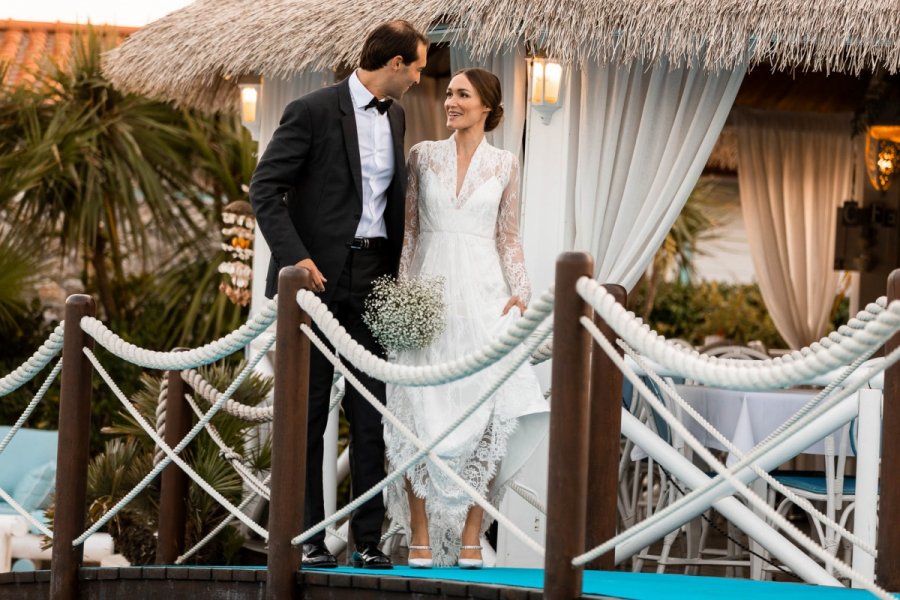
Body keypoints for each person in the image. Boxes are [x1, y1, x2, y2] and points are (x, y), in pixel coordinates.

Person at [249, 20, 428, 570]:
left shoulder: (395, 116)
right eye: (418, 65)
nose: (421, 76)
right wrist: (295, 259)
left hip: (375, 280)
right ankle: (307, 538)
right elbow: (265, 189)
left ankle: (367, 540)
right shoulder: (311, 110)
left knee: (371, 412)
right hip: (315, 283)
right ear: (395, 63)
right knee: (307, 412)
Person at [384, 68, 550, 568]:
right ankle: (419, 533)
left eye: (462, 95)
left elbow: (509, 237)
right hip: (428, 295)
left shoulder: (505, 164)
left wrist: (521, 294)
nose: (451, 102)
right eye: (450, 94)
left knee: (486, 410)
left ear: (487, 106)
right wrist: (402, 294)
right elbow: (409, 232)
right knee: (417, 410)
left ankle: (474, 533)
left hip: (484, 297)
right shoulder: (422, 155)